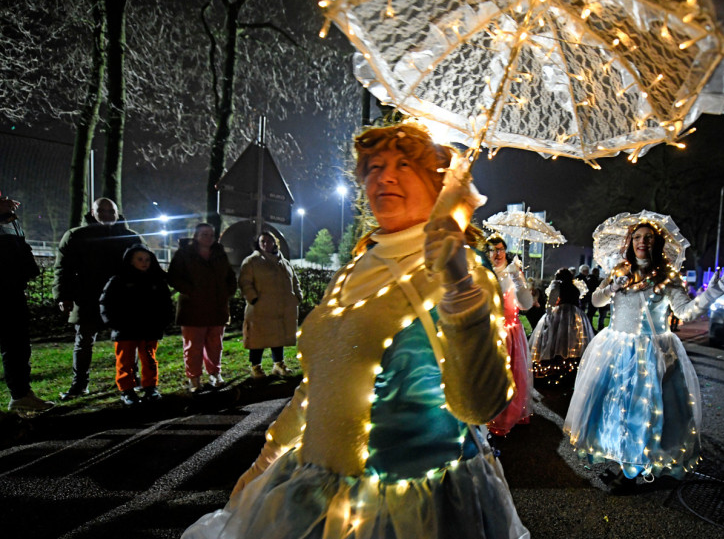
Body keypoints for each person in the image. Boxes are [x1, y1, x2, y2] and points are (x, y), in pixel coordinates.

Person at [182, 122, 528, 539]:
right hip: (313, 492)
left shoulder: (464, 270)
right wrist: (267, 458)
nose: (384, 176)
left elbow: (480, 405)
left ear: (439, 184)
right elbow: (320, 384)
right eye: (374, 166)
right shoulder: (354, 268)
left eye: (404, 164)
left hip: (410, 510)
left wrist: (458, 286)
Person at [563, 213, 724, 491]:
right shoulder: (619, 271)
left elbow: (685, 312)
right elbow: (595, 301)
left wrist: (710, 296)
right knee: (614, 410)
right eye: (637, 237)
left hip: (651, 354)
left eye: (648, 237)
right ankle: (623, 462)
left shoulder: (666, 277)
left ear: (656, 243)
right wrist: (611, 288)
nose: (642, 242)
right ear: (630, 241)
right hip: (615, 349)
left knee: (642, 414)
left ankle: (634, 472)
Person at [53, 197, 143, 400]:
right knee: (85, 341)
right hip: (87, 297)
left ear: (117, 213)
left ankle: (130, 380)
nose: (107, 215)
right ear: (92, 212)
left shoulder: (130, 238)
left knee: (125, 341)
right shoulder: (77, 237)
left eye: (110, 211)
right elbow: (63, 269)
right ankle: (80, 385)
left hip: (120, 299)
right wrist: (63, 296)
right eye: (101, 211)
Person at [0, 195, 54, 413]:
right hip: (4, 289)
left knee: (17, 345)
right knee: (14, 344)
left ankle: (21, 395)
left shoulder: (8, 220)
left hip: (12, 289)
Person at [99, 244, 173, 405]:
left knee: (149, 359)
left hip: (149, 328)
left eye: (147, 259)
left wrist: (162, 321)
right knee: (125, 361)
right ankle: (127, 390)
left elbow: (165, 303)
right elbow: (106, 302)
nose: (144, 262)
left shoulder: (156, 280)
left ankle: (150, 387)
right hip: (125, 328)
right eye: (140, 259)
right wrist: (113, 323)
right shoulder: (119, 280)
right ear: (131, 261)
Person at [168, 223, 237, 392]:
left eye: (211, 234)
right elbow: (174, 277)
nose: (208, 238)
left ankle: (214, 373)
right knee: (194, 345)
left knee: (215, 343)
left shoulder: (220, 254)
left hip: (217, 307)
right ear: (196, 236)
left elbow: (229, 275)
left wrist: (227, 292)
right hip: (193, 308)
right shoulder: (184, 254)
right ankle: (194, 377)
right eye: (204, 234)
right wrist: (191, 291)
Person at [486, 234, 534, 437]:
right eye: (491, 250)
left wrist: (516, 277)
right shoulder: (482, 273)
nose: (496, 253)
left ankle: (506, 417)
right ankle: (487, 414)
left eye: (500, 249)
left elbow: (526, 305)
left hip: (509, 332)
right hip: (488, 333)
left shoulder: (513, 273)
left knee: (511, 378)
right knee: (489, 378)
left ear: (506, 251)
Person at [238, 230, 302, 378]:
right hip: (261, 308)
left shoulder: (284, 263)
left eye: (269, 241)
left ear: (275, 243)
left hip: (282, 308)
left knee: (278, 336)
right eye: (263, 242)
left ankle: (278, 364)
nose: (266, 244)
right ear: (258, 244)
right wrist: (253, 298)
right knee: (257, 338)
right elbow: (245, 282)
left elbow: (295, 281)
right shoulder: (251, 262)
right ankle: (256, 367)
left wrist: (297, 297)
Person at [528, 267, 594, 379]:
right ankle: (570, 367)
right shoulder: (574, 286)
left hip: (560, 314)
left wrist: (548, 314)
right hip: (575, 315)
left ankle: (555, 368)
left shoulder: (557, 285)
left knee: (556, 341)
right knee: (571, 341)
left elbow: (551, 303)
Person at [585, 267, 602, 331]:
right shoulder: (593, 279)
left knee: (590, 313)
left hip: (590, 298)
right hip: (592, 298)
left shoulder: (589, 278)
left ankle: (589, 326)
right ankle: (589, 327)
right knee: (590, 313)